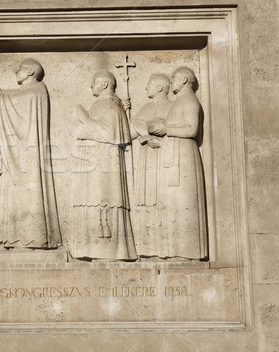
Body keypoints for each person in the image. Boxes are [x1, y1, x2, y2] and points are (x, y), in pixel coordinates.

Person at [0, 58, 62, 249]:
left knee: (27, 193)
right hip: (16, 152)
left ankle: (33, 239)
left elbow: (3, 103)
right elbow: (2, 95)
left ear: (31, 72)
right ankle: (17, 239)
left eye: (21, 69)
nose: (17, 71)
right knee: (16, 193)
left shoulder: (35, 91)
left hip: (27, 156)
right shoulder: (26, 91)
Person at [71, 70, 137, 261]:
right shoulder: (101, 104)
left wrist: (85, 121)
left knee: (104, 200)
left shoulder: (111, 106)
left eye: (94, 82)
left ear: (105, 84)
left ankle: (108, 252)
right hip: (93, 163)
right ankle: (92, 250)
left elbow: (111, 134)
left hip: (105, 166)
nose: (91, 86)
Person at [147, 67, 208, 260]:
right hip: (174, 156)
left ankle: (186, 252)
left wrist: (166, 129)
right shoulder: (180, 101)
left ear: (183, 80)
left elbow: (191, 129)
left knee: (183, 202)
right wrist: (161, 141)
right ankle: (173, 250)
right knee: (172, 202)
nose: (171, 81)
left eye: (173, 78)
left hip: (184, 159)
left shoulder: (190, 101)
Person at [129, 74, 174, 257]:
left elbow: (172, 128)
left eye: (149, 84)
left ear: (160, 87)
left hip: (165, 158)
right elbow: (131, 131)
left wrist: (148, 128)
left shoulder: (173, 107)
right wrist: (137, 126)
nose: (145, 88)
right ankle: (148, 248)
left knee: (164, 200)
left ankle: (167, 247)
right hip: (147, 158)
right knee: (147, 198)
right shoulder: (146, 107)